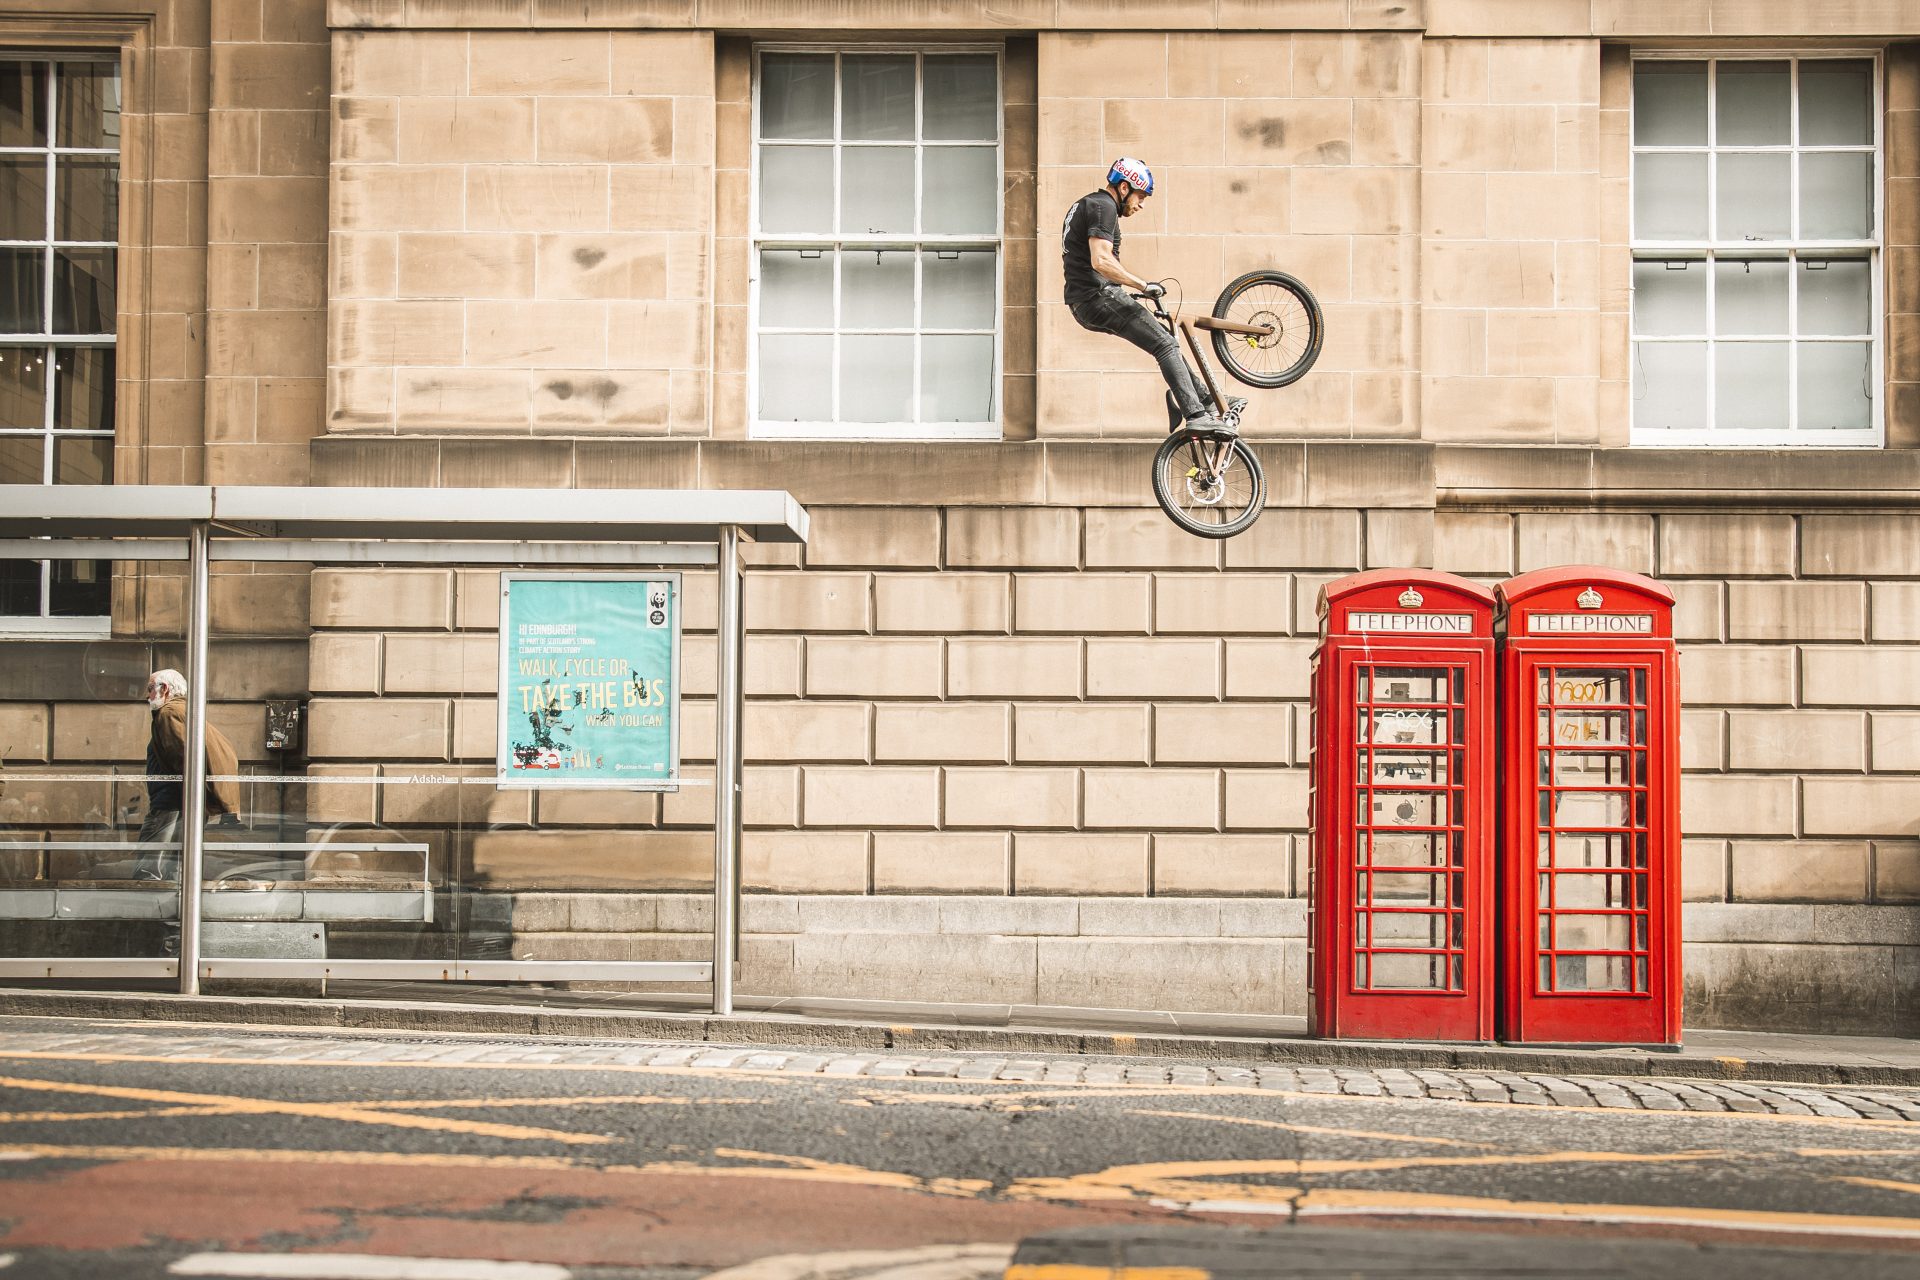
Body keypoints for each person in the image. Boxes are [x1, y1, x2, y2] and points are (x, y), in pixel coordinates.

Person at [1062, 157, 1236, 432]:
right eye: (1141, 196)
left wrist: (1136, 292)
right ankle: (1196, 415)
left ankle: (1206, 401)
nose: (1141, 205)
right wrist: (1142, 285)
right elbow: (1101, 261)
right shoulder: (1102, 206)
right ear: (1123, 188)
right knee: (1164, 345)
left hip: (1090, 299)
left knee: (1165, 340)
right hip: (1098, 296)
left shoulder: (1092, 205)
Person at [134, 668, 240, 881]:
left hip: (172, 799)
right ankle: (174, 901)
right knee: (179, 862)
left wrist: (186, 790)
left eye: (150, 689)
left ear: (164, 689)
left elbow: (182, 755)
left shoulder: (169, 712)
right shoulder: (188, 712)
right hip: (187, 799)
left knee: (149, 864)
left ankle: (146, 901)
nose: (147, 696)